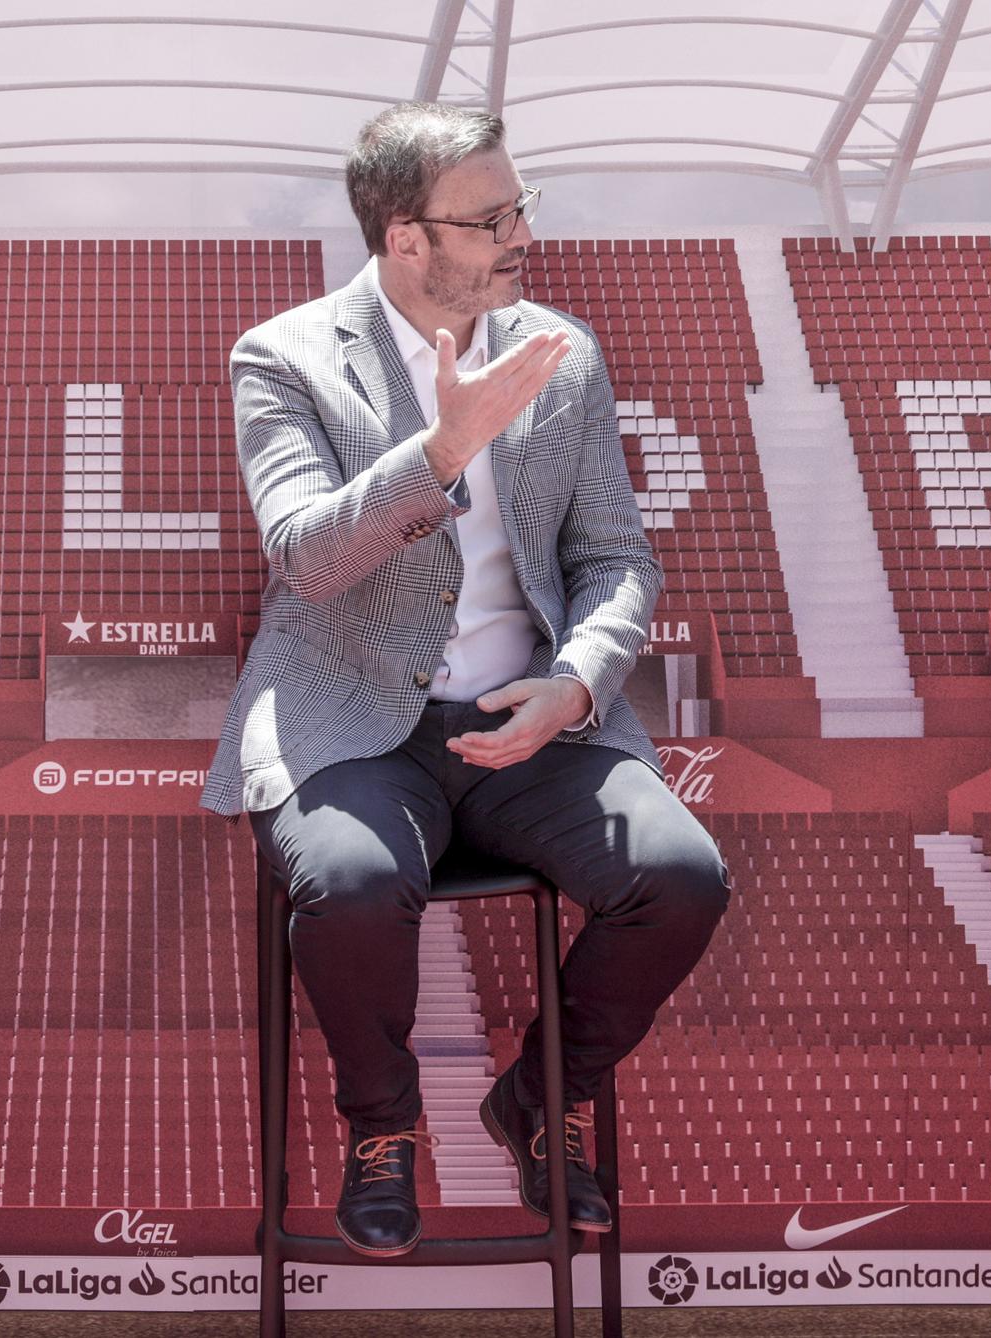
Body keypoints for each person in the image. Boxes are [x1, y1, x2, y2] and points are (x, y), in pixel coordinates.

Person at [202, 102, 729, 1258]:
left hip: (527, 720)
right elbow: (307, 557)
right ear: (405, 238)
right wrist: (442, 450)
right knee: (345, 884)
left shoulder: (562, 350)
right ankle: (383, 1126)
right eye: (491, 218)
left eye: (519, 206)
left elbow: (615, 558)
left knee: (680, 877)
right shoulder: (281, 356)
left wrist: (578, 685)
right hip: (354, 717)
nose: (520, 233)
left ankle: (538, 1098)